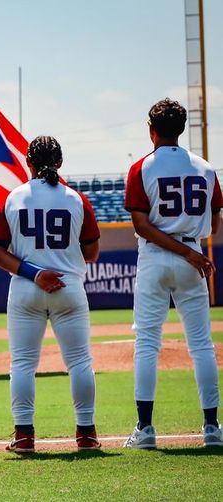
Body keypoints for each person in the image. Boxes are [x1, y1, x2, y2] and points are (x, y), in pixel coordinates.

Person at [0, 136, 101, 453]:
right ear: (60, 163)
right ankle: (87, 434)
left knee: (22, 363)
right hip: (68, 286)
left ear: (28, 163)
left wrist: (35, 272)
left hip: (26, 287)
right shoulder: (77, 200)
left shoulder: (11, 198)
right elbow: (92, 252)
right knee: (80, 362)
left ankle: (24, 436)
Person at [124, 98, 223, 448]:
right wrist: (189, 248)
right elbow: (214, 223)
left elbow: (141, 224)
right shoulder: (206, 168)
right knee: (201, 346)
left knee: (147, 344)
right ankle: (212, 427)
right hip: (192, 254)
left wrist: (180, 247)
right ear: (180, 129)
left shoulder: (142, 167)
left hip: (154, 257)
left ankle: (145, 429)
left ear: (152, 131)